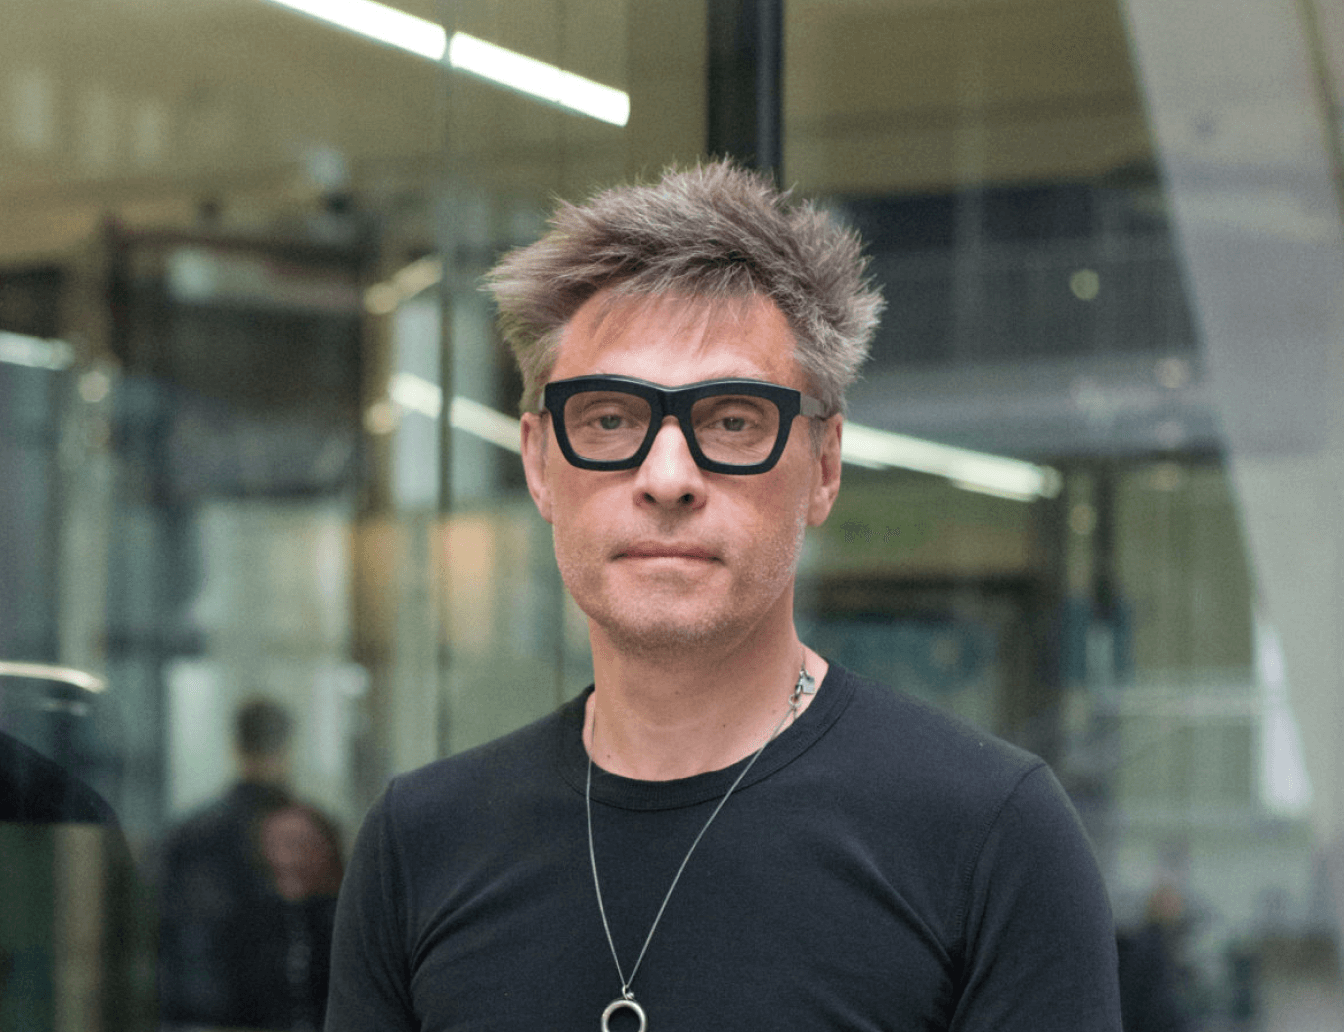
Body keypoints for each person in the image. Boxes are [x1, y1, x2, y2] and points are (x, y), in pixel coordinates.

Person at [326, 161, 1122, 1031]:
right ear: (539, 463)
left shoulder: (989, 835)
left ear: (824, 467)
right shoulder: (421, 844)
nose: (667, 476)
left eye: (733, 420)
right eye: (609, 419)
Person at [157, 697, 342, 1031]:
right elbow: (330, 942)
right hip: (288, 1016)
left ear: (235, 747)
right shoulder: (312, 832)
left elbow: (171, 944)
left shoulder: (191, 835)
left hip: (204, 1017)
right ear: (288, 748)